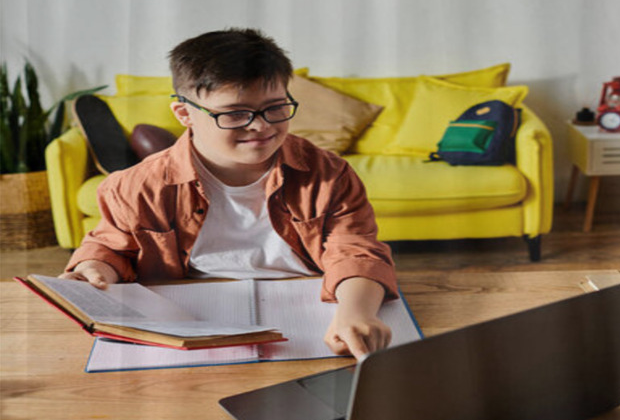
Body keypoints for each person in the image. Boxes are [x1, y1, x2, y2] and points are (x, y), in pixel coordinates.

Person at [59, 28, 397, 360]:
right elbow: (108, 246)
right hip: (193, 323)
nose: (260, 126)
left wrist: (356, 314)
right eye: (235, 113)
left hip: (307, 314)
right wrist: (94, 267)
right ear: (184, 113)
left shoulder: (329, 174)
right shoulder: (135, 186)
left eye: (276, 108)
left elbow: (355, 251)